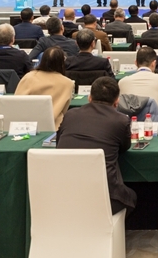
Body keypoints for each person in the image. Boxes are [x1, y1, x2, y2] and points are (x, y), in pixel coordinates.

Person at [56, 77, 137, 216]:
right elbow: (124, 147)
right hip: (103, 197)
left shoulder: (70, 114)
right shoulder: (121, 120)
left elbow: (58, 143)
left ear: (89, 97)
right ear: (116, 101)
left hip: (62, 193)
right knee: (132, 196)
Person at [16, 46, 74, 128]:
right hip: (54, 127)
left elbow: (16, 102)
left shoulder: (29, 77)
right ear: (62, 62)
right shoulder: (67, 83)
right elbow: (64, 110)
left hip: (26, 125)